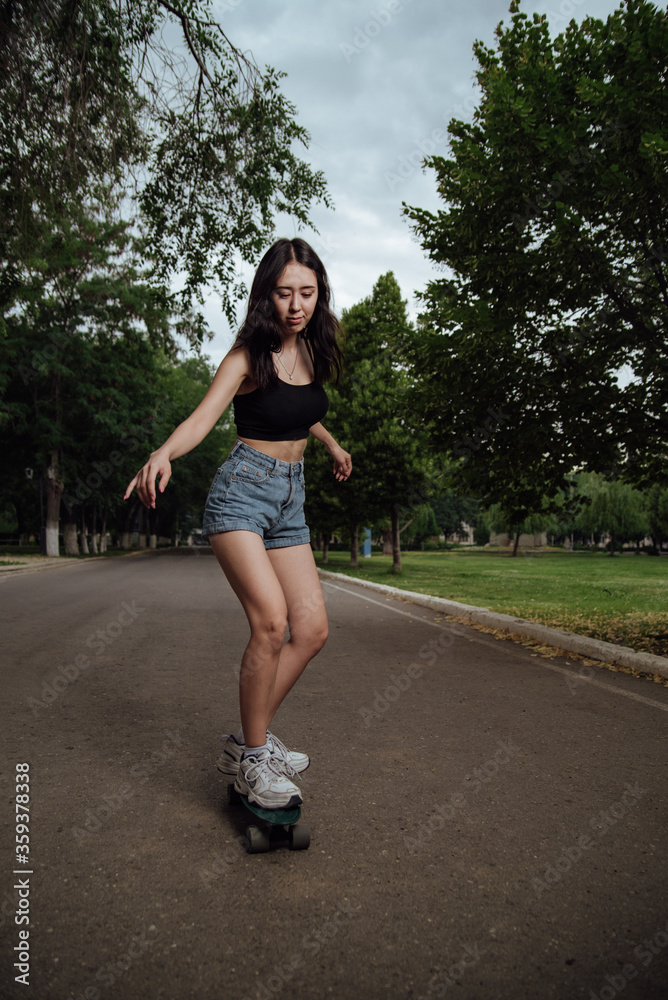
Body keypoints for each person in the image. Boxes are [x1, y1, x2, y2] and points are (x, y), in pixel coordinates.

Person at [124, 238, 352, 811]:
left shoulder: (316, 350)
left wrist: (329, 443)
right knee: (271, 624)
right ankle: (254, 758)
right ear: (266, 294)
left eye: (306, 292)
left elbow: (301, 410)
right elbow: (202, 417)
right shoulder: (248, 355)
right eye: (283, 293)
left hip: (291, 500)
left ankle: (249, 743)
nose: (295, 304)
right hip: (242, 496)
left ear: (319, 292)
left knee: (314, 629)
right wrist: (163, 454)